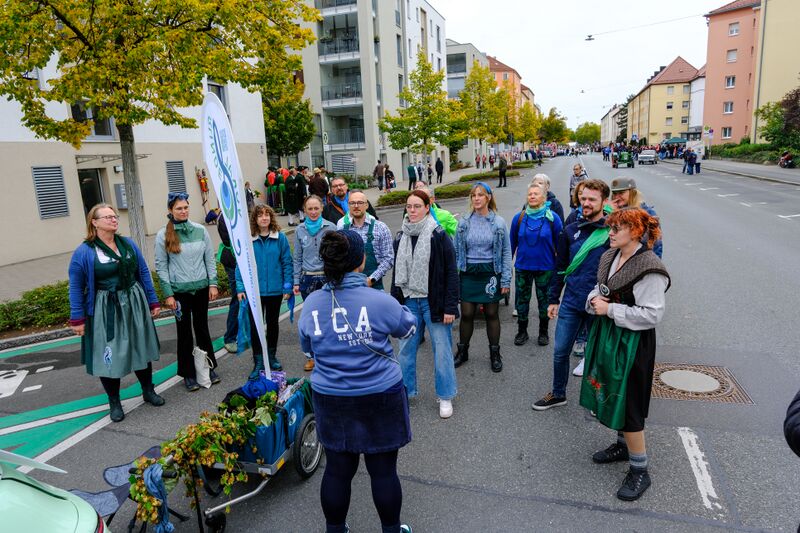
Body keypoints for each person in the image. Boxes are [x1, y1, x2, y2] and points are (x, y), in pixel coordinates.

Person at [298, 230, 417, 533]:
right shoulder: (380, 300)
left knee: (337, 471)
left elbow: (307, 347)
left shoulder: (311, 304)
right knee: (383, 472)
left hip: (331, 396)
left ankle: (335, 529)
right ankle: (391, 529)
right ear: (360, 262)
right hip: (380, 394)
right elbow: (407, 329)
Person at [581, 207, 670, 502]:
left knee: (630, 403)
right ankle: (622, 445)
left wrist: (611, 309)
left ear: (634, 232)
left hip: (633, 344)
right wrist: (594, 299)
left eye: (616, 229)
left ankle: (640, 469)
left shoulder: (650, 267)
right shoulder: (610, 256)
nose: (610, 233)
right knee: (611, 391)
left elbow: (652, 315)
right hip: (608, 335)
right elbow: (600, 287)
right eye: (610, 228)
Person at [69, 204, 163, 422]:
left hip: (133, 301)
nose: (114, 219)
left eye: (114, 216)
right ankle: (114, 402)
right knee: (108, 353)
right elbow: (75, 286)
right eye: (108, 217)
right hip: (105, 307)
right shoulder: (84, 252)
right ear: (94, 222)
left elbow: (142, 272)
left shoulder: (128, 244)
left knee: (141, 346)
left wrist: (152, 300)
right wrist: (77, 318)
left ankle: (148, 390)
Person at [532, 179, 611, 410]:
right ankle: (558, 393)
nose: (585, 203)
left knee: (598, 356)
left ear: (603, 202)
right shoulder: (570, 230)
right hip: (572, 302)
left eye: (591, 200)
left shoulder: (612, 232)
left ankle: (599, 399)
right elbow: (560, 267)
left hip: (599, 305)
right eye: (583, 198)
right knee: (560, 352)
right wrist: (553, 299)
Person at [391, 190, 459, 419]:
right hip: (409, 300)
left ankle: (445, 395)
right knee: (405, 350)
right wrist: (394, 304)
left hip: (434, 302)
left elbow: (451, 272)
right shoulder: (401, 236)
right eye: (409, 206)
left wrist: (450, 307)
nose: (412, 210)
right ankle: (405, 394)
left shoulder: (438, 234)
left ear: (427, 207)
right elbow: (396, 276)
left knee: (442, 350)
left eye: (417, 206)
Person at [154, 192, 220, 392]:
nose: (183, 211)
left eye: (185, 207)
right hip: (180, 293)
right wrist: (168, 294)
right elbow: (161, 266)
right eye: (178, 208)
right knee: (184, 334)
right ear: (170, 211)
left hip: (201, 289)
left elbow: (209, 259)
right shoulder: (163, 234)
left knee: (202, 329)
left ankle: (208, 367)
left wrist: (213, 284)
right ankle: (188, 373)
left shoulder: (200, 230)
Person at [453, 183, 512, 372]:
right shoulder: (463, 222)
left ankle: (495, 353)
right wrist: (453, 279)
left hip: (490, 272)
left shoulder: (498, 222)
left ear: (488, 197)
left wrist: (505, 279)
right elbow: (456, 252)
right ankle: (463, 351)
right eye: (473, 195)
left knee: (491, 314)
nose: (476, 198)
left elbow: (505, 252)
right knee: (467, 314)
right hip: (469, 272)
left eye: (480, 195)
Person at [237, 205, 293, 375]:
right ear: (255, 219)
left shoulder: (280, 238)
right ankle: (258, 360)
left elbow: (286, 262)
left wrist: (287, 285)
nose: (264, 218)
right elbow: (241, 265)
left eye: (267, 215)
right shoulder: (248, 239)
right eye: (260, 215)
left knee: (273, 324)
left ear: (271, 218)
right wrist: (240, 287)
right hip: (255, 292)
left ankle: (271, 356)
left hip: (275, 290)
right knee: (255, 326)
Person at [510, 182, 563, 347]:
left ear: (544, 198)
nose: (532, 196)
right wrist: (505, 269)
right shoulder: (519, 218)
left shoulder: (553, 218)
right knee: (522, 302)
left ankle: (543, 332)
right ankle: (522, 331)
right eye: (530, 194)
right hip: (523, 267)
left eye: (536, 194)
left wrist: (560, 270)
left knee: (544, 302)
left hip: (546, 268)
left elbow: (560, 245)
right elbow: (511, 245)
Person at [294, 195, 336, 371]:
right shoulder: (299, 230)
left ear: (321, 208)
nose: (313, 212)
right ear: (305, 210)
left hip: (326, 277)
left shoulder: (331, 228)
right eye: (309, 209)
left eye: (316, 208)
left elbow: (336, 256)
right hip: (308, 279)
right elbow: (297, 257)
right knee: (311, 318)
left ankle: (331, 353)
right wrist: (296, 281)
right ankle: (311, 356)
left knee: (329, 316)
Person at [337, 191, 394, 290]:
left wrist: (371, 279)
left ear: (366, 205)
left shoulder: (381, 227)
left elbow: (388, 259)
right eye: (352, 203)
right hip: (349, 288)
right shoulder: (342, 230)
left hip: (375, 287)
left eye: (360, 203)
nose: (356, 206)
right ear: (348, 205)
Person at [609, 178, 663, 258]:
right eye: (614, 194)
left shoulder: (646, 214)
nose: (617, 197)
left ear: (632, 193)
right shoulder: (612, 211)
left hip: (640, 261)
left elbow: (656, 244)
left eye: (621, 193)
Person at [217, 214, 238, 353]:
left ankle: (249, 331)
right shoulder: (224, 215)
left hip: (246, 256)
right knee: (238, 297)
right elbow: (230, 239)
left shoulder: (241, 207)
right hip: (232, 259)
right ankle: (230, 337)